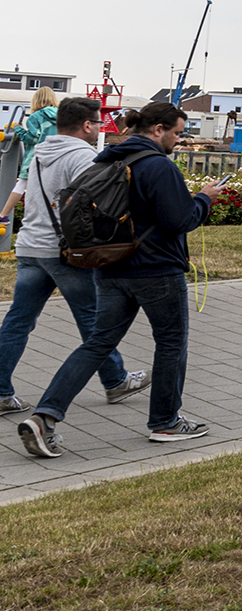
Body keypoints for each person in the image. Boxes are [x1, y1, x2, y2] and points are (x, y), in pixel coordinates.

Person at [17, 100, 223, 458]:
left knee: (97, 343)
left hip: (110, 267)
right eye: (176, 133)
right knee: (171, 342)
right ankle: (166, 422)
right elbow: (179, 220)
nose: (178, 140)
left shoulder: (106, 159)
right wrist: (204, 199)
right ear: (157, 130)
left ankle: (44, 417)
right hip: (157, 269)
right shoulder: (158, 165)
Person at [1, 97, 149, 422]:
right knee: (94, 320)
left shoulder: (41, 151)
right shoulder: (82, 155)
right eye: (98, 123)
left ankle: (0, 392)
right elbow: (98, 201)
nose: (99, 128)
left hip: (30, 246)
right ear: (86, 125)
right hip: (63, 252)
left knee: (18, 321)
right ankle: (116, 381)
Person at [5, 86, 60, 229]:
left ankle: (3, 215)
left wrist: (17, 128)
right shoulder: (62, 116)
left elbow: (32, 138)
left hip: (37, 157)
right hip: (56, 157)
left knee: (22, 184)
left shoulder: (36, 116)